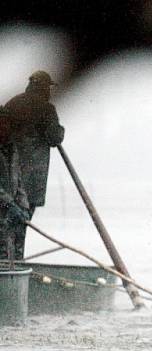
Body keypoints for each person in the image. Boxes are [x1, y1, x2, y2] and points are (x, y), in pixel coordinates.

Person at [3, 70, 65, 258]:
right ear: (45, 87)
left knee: (5, 223)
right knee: (21, 224)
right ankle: (15, 266)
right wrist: (60, 129)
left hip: (6, 176)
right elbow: (55, 137)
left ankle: (7, 264)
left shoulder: (12, 103)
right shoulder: (46, 109)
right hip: (31, 180)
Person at [0, 106, 31, 261]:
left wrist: (23, 206)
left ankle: (17, 269)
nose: (5, 127)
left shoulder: (12, 149)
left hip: (10, 207)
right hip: (3, 208)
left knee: (18, 235)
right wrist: (9, 203)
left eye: (7, 123)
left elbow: (19, 182)